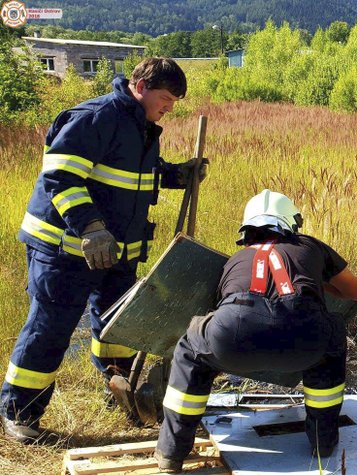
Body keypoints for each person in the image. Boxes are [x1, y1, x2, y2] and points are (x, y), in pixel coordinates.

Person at [1, 58, 205, 443]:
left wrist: (178, 174)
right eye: (165, 98)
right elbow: (60, 176)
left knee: (116, 328)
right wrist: (91, 228)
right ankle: (20, 414)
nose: (169, 108)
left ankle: (119, 392)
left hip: (117, 254)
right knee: (50, 329)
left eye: (174, 102)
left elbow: (134, 175)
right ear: (141, 86)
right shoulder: (95, 116)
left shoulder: (142, 127)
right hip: (64, 248)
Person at [155, 190, 357, 472]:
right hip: (304, 339)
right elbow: (354, 291)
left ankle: (171, 453)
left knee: (191, 350)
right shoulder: (311, 246)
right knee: (332, 333)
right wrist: (316, 279)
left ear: (247, 229)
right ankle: (322, 441)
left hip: (235, 332)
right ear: (292, 223)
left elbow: (226, 305)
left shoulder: (235, 260)